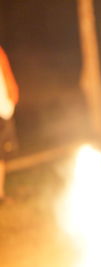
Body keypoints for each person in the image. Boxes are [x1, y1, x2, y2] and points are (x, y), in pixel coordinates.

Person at [0, 46, 19, 203]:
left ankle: (0, 194)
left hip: (4, 109)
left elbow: (6, 76)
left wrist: (12, 98)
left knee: (1, 155)